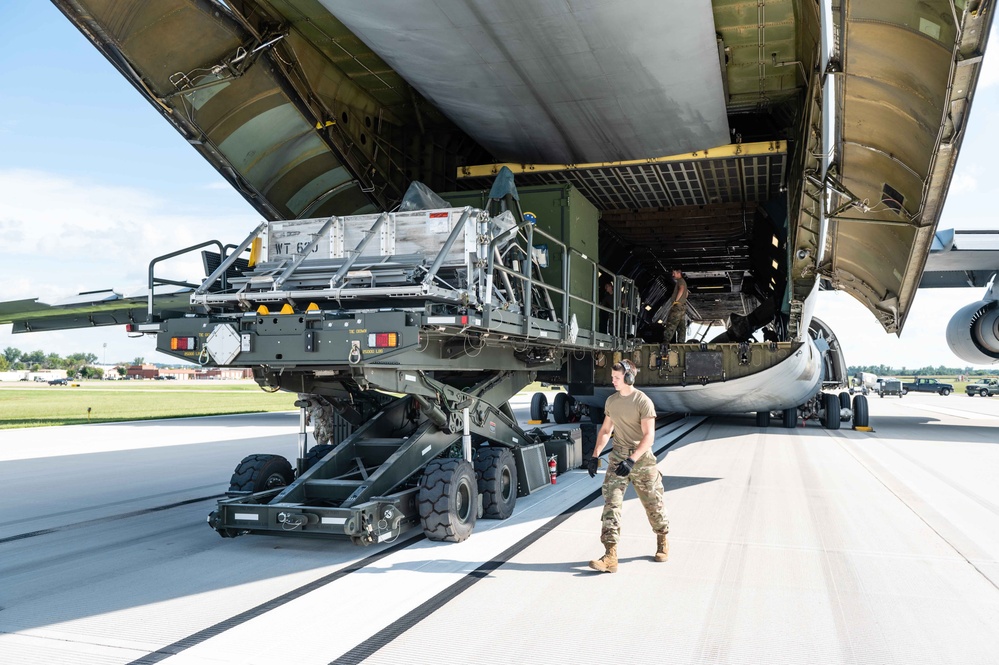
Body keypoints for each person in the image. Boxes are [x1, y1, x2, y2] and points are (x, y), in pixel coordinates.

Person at [586, 359, 669, 572]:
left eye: (616, 378)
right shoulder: (612, 402)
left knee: (654, 505)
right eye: (612, 377)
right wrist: (595, 455)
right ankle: (610, 555)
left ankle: (662, 539)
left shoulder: (643, 402)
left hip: (641, 459)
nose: (612, 381)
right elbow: (606, 431)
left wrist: (632, 460)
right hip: (618, 457)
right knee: (611, 504)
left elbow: (649, 436)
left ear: (629, 378)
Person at [662, 268, 688, 343]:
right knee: (681, 325)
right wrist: (682, 299)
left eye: (674, 273)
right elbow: (686, 293)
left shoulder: (680, 281)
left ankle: (666, 341)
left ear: (678, 273)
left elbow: (682, 289)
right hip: (682, 306)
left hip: (678, 306)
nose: (672, 275)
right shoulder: (683, 281)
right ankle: (681, 342)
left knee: (671, 323)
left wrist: (676, 301)